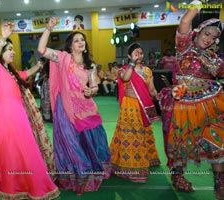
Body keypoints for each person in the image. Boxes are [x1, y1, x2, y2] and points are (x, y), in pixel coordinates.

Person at [0, 22, 60, 199]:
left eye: (13, 49)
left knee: (22, 154)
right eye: (9, 49)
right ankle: (10, 187)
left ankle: (23, 185)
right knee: (8, 155)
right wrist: (2, 39)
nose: (13, 52)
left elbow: (26, 74)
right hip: (2, 119)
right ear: (0, 51)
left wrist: (38, 66)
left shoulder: (11, 72)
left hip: (18, 118)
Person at [38, 17, 111, 195]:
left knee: (92, 140)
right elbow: (41, 49)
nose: (80, 42)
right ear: (70, 46)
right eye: (76, 40)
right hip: (66, 109)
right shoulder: (63, 58)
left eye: (82, 39)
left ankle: (92, 169)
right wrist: (48, 28)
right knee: (72, 144)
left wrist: (91, 91)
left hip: (86, 109)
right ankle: (79, 174)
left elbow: (94, 86)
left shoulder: (90, 66)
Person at [158, 0, 224, 198]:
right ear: (198, 32)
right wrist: (196, 6)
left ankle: (220, 182)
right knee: (179, 145)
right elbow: (184, 23)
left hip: (209, 103)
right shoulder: (185, 47)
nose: (209, 39)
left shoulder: (215, 58)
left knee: (218, 141)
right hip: (182, 105)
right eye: (207, 34)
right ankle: (178, 176)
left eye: (214, 37)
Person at [109, 42, 160, 183]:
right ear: (129, 56)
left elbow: (151, 90)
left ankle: (147, 160)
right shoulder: (123, 70)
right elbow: (126, 78)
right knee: (132, 135)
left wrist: (158, 95)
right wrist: (132, 63)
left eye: (141, 52)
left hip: (144, 106)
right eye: (136, 53)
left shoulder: (147, 71)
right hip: (130, 107)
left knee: (143, 134)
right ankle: (130, 168)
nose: (139, 55)